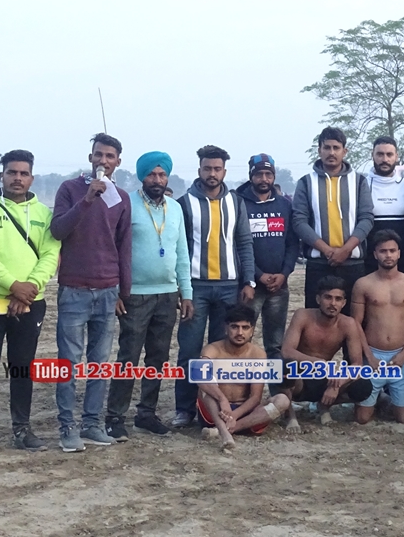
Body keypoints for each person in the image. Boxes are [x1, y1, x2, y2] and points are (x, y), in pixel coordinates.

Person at [0, 149, 61, 455]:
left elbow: (50, 255)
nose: (18, 178)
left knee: (22, 367)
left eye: (24, 173)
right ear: (1, 175)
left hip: (30, 302)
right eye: (12, 173)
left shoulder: (44, 214)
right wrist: (13, 287)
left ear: (32, 177)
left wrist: (29, 288)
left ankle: (22, 428)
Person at [50, 132, 133, 452]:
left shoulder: (121, 198)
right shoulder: (70, 189)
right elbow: (58, 229)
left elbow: (123, 246)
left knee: (100, 363)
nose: (103, 160)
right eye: (99, 154)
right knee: (69, 363)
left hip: (108, 290)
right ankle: (67, 427)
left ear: (118, 162)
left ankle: (92, 424)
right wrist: (86, 199)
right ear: (90, 158)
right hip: (74, 289)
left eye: (110, 156)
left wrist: (124, 290)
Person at [105, 152, 193, 440]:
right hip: (135, 295)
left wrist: (186, 292)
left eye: (162, 174)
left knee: (158, 357)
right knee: (128, 356)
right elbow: (113, 250)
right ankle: (115, 416)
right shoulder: (126, 204)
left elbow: (182, 253)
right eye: (152, 175)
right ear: (142, 176)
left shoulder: (175, 209)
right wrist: (117, 290)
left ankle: (147, 414)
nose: (157, 180)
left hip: (167, 295)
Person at [173, 145, 256, 427]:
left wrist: (249, 280)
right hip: (195, 287)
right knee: (190, 351)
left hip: (230, 286)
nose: (212, 173)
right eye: (207, 168)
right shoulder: (184, 203)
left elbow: (244, 243)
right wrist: (182, 287)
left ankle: (221, 407)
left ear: (224, 171)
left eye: (217, 169)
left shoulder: (236, 202)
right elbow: (179, 248)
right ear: (199, 170)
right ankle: (184, 409)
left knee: (224, 351)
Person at [291, 126, 374, 315]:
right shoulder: (306, 182)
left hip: (352, 264)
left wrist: (345, 250)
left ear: (344, 151)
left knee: (353, 321)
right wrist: (327, 251)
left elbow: (367, 218)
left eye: (336, 148)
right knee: (315, 320)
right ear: (319, 150)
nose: (331, 152)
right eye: (327, 147)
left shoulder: (359, 182)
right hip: (319, 264)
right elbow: (299, 221)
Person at [351, 230, 404, 425]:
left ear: (399, 253)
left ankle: (386, 398)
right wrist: (369, 357)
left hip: (399, 356)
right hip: (373, 355)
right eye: (383, 251)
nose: (388, 255)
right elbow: (355, 322)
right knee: (362, 418)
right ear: (375, 254)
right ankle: (380, 398)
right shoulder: (363, 284)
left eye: (392, 250)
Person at [197, 305, 292, 452]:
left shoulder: (258, 354)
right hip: (215, 410)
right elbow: (200, 377)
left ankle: (228, 430)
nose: (240, 332)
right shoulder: (212, 349)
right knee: (206, 387)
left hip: (244, 413)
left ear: (252, 330)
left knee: (282, 400)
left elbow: (255, 397)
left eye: (245, 328)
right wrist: (222, 400)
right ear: (226, 328)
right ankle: (224, 433)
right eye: (235, 327)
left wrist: (234, 415)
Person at [281, 276, 374, 423]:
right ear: (318, 299)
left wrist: (338, 384)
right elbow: (286, 351)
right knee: (284, 366)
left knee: (363, 386)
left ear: (344, 303)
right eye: (328, 297)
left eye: (338, 299)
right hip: (300, 378)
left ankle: (324, 406)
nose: (333, 303)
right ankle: (290, 415)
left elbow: (357, 364)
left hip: (325, 379)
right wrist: (317, 362)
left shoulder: (348, 324)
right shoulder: (303, 315)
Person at [235, 154, 295, 361]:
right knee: (241, 341)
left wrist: (284, 274)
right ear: (251, 176)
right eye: (259, 174)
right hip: (250, 286)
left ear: (274, 176)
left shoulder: (284, 205)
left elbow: (292, 244)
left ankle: (275, 382)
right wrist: (257, 275)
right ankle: (242, 382)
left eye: (268, 174)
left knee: (275, 344)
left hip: (278, 286)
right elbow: (236, 246)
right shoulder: (239, 204)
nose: (264, 179)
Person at [365, 136, 404, 275]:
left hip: (401, 261)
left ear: (396, 156)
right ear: (372, 155)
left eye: (389, 154)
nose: (385, 159)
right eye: (380, 154)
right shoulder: (361, 185)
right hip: (369, 261)